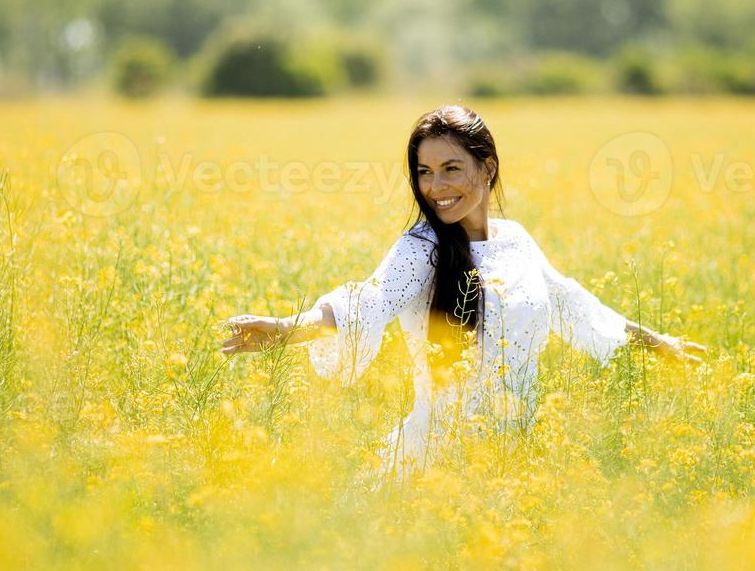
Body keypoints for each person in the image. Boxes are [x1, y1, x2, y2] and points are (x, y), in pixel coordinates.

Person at [219, 104, 706, 478]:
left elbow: (570, 302)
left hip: (514, 457)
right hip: (435, 461)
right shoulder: (420, 249)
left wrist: (660, 344)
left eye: (451, 168)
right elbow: (367, 301)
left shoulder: (514, 239)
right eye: (424, 172)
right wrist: (287, 329)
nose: (435, 187)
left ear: (487, 168)